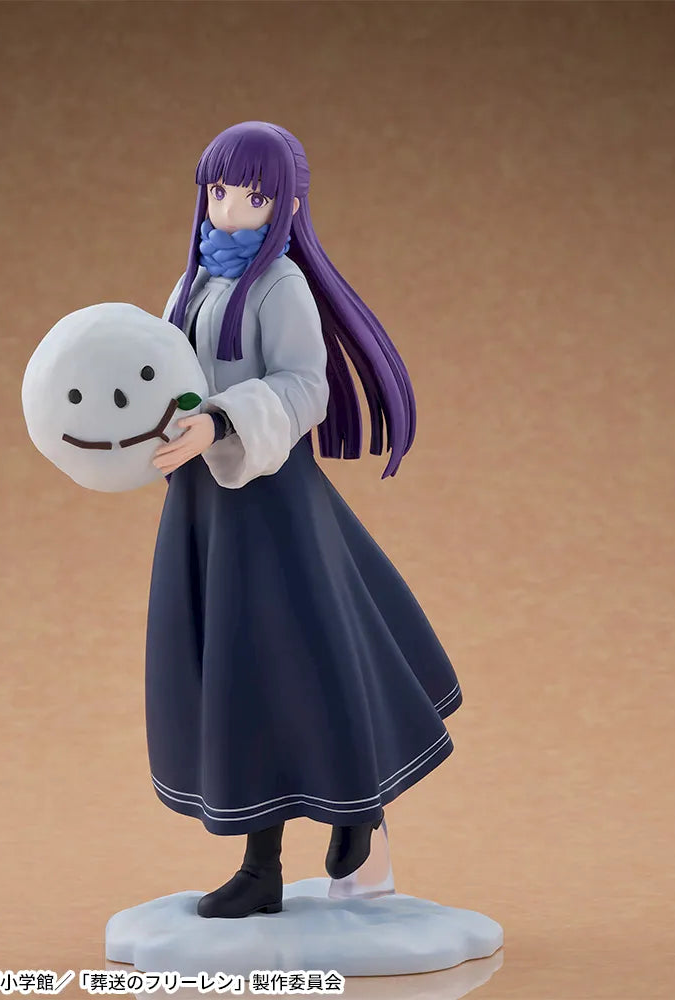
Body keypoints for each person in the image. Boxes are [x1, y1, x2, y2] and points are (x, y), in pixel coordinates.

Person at [145, 121, 462, 919]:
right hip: (205, 507)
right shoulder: (193, 283)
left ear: (284, 203)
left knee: (296, 663)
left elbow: (304, 385)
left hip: (271, 503)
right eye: (218, 190)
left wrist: (219, 421)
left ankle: (350, 813)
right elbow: (162, 373)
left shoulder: (279, 285)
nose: (228, 207)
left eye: (250, 195)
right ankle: (271, 863)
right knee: (235, 676)